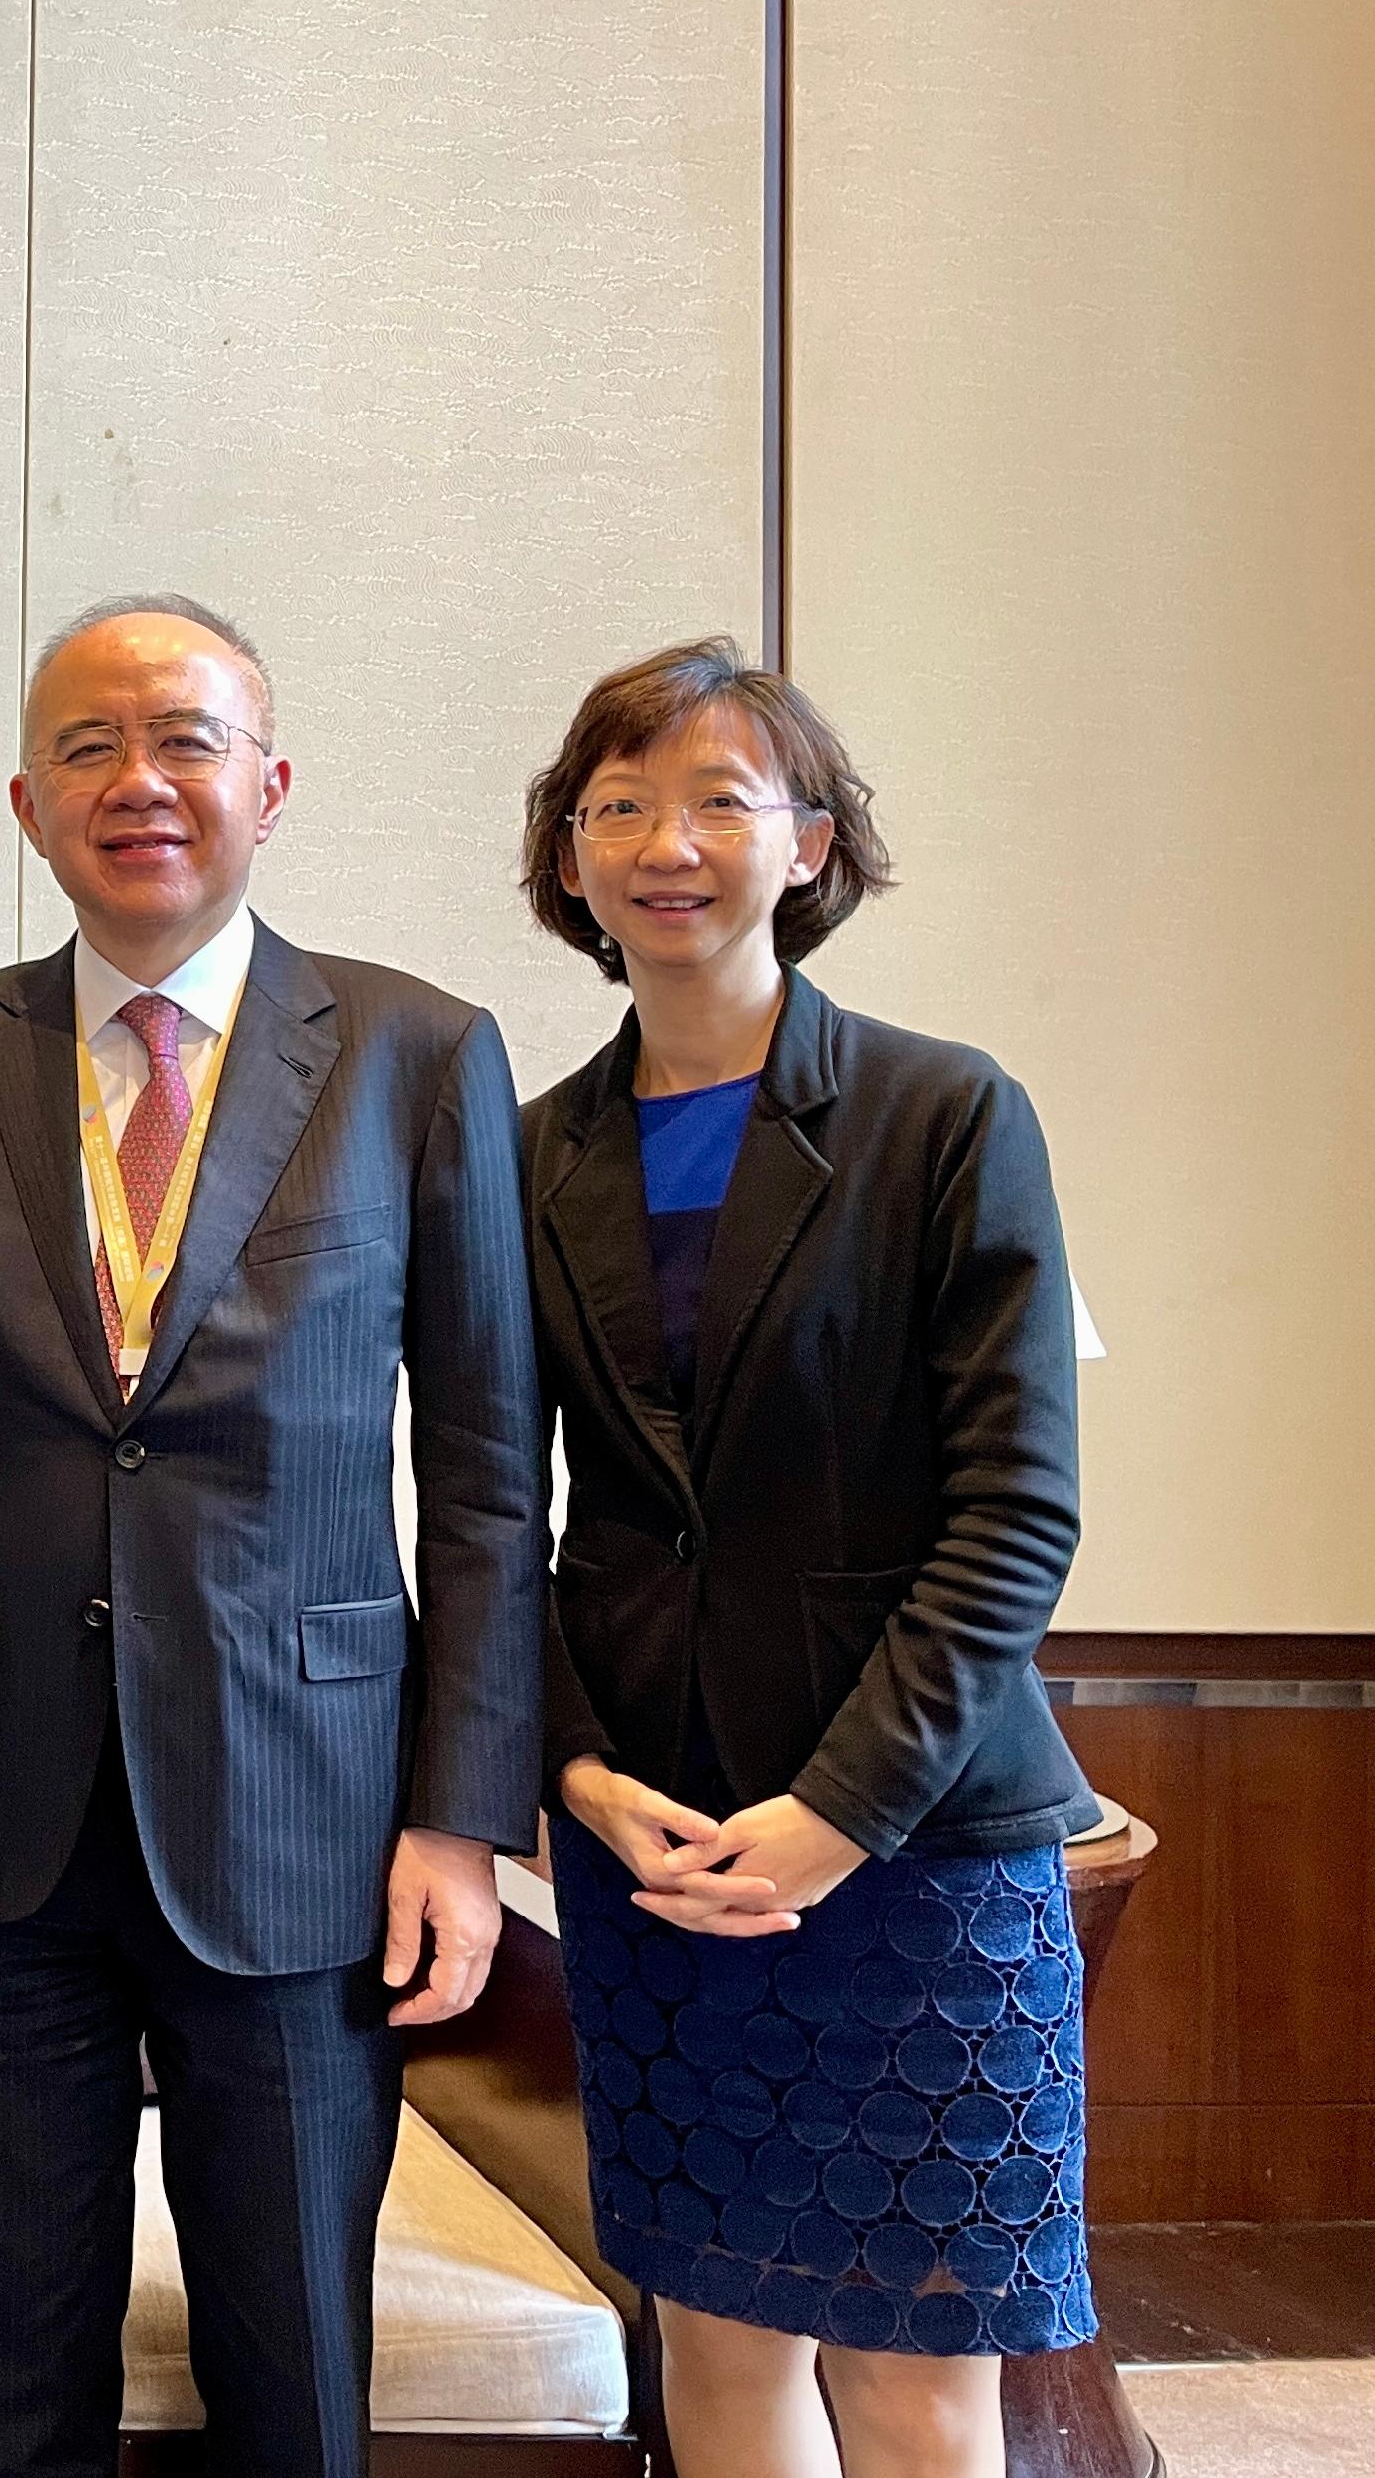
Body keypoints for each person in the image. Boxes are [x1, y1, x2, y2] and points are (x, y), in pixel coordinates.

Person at [0, 594, 548, 2478]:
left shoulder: (419, 1054)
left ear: (270, 783)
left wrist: (458, 1817)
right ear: (26, 803)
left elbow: (493, 1480)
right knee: (5, 2391)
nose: (139, 784)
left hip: (304, 1820)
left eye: (182, 741)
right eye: (88, 750)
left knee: (292, 2383)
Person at [518, 640, 1096, 2478]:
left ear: (809, 843)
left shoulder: (945, 1114)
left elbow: (1015, 1513)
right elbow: (488, 1510)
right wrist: (581, 1778)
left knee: (922, 2369)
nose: (664, 842)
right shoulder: (526, 1154)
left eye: (718, 801)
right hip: (655, 1843)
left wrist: (838, 1812)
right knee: (716, 2328)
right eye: (619, 806)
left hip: (914, 1849)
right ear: (571, 860)